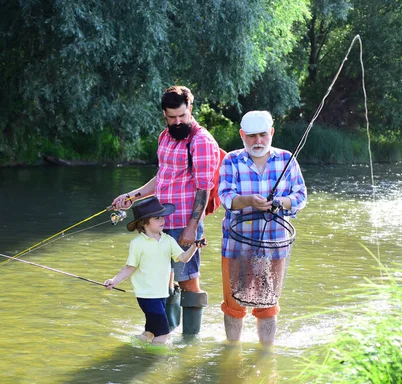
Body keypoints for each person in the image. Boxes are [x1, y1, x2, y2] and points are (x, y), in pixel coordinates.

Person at [111, 86, 219, 335]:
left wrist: (192, 227)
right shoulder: (164, 136)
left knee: (188, 278)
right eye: (172, 117)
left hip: (184, 222)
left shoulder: (201, 141)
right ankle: (165, 331)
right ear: (164, 114)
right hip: (158, 223)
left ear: (190, 109)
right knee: (161, 279)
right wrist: (132, 196)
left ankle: (191, 339)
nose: (178, 121)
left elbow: (204, 188)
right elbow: (162, 177)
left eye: (182, 115)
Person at [218, 110, 307, 346]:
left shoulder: (287, 159)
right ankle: (232, 351)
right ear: (242, 135)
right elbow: (225, 197)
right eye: (251, 136)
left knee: (268, 306)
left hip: (274, 247)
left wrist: (279, 203)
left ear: (272, 133)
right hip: (236, 246)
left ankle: (266, 354)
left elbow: (300, 197)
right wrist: (248, 201)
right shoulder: (231, 160)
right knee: (233, 306)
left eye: (262, 135)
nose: (257, 141)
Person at [104, 197, 205, 345]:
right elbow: (129, 267)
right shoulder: (137, 243)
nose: (162, 220)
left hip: (161, 294)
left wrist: (194, 246)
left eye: (162, 217)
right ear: (145, 222)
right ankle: (156, 361)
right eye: (157, 218)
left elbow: (183, 258)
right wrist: (114, 281)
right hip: (146, 296)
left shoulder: (168, 240)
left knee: (151, 331)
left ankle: (136, 344)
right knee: (163, 334)